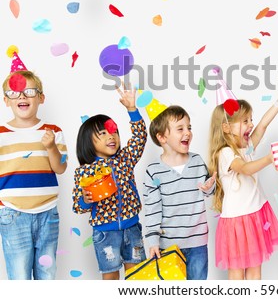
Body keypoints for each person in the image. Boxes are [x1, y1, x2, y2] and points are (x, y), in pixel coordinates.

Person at [208, 83, 278, 280]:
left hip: (255, 214)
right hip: (237, 221)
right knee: (237, 271)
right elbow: (245, 169)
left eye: (250, 119)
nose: (251, 124)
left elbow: (263, 124)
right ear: (227, 127)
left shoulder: (246, 147)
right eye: (245, 121)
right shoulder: (225, 153)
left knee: (255, 268)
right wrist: (268, 159)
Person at [72, 84, 147, 280]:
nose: (111, 136)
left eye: (113, 132)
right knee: (111, 277)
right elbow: (78, 206)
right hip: (105, 233)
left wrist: (132, 110)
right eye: (103, 133)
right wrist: (85, 200)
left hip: (132, 229)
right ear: (88, 141)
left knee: (137, 275)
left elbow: (140, 138)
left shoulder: (125, 159)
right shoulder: (85, 171)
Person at [0, 70, 67, 280]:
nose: (22, 96)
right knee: (19, 275)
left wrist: (51, 147)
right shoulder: (1, 134)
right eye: (15, 92)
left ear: (41, 97)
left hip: (48, 213)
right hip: (13, 213)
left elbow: (60, 168)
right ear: (6, 100)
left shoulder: (53, 131)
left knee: (46, 273)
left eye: (28, 91)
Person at [143, 105, 216, 280]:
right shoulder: (153, 170)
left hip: (198, 243)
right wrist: (153, 242)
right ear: (162, 137)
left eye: (189, 127)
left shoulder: (197, 161)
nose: (188, 132)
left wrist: (210, 187)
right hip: (168, 246)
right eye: (180, 128)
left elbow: (208, 191)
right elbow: (152, 209)